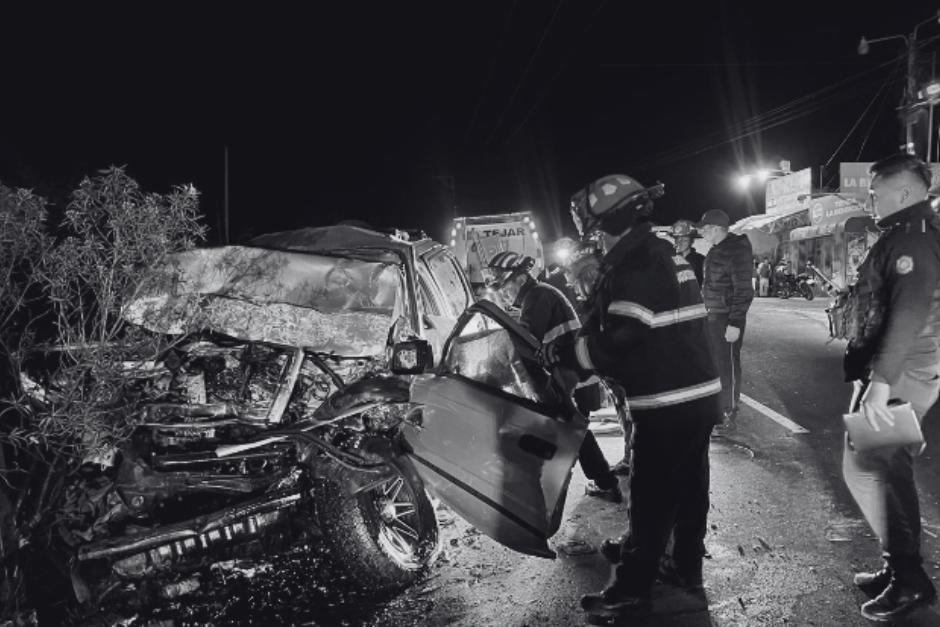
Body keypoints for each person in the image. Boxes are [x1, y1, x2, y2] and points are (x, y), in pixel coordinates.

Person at [542, 174, 721, 618]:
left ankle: (633, 589)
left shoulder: (638, 262)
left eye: (597, 228)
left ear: (611, 220)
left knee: (652, 495)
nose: (596, 238)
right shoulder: (657, 252)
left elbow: (623, 337)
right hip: (692, 396)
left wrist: (570, 354)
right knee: (687, 490)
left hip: (668, 399)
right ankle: (680, 570)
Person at [839, 153, 940, 621]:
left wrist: (880, 383)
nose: (872, 199)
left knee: (881, 470)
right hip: (900, 370)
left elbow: (908, 314)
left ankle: (909, 579)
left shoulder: (911, 241)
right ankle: (897, 564)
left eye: (876, 191)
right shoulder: (908, 232)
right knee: (874, 465)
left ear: (903, 192)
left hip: (901, 373)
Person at [486, 250, 623, 503]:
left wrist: (493, 360)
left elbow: (524, 339)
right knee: (572, 430)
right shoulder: (538, 295)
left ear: (520, 279)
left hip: (572, 377)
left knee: (572, 430)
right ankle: (604, 483)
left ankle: (603, 484)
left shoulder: (537, 296)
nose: (503, 293)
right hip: (570, 374)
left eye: (504, 287)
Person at [697, 208, 755, 429]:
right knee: (715, 365)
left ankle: (728, 412)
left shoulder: (736, 250)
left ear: (716, 229)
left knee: (727, 366)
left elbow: (744, 289)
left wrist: (735, 322)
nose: (702, 233)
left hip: (726, 318)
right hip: (713, 315)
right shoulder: (717, 249)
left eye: (705, 229)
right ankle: (718, 409)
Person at [672, 219, 705, 285]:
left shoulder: (700, 261)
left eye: (685, 240)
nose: (680, 243)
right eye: (678, 239)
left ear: (691, 242)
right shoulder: (669, 259)